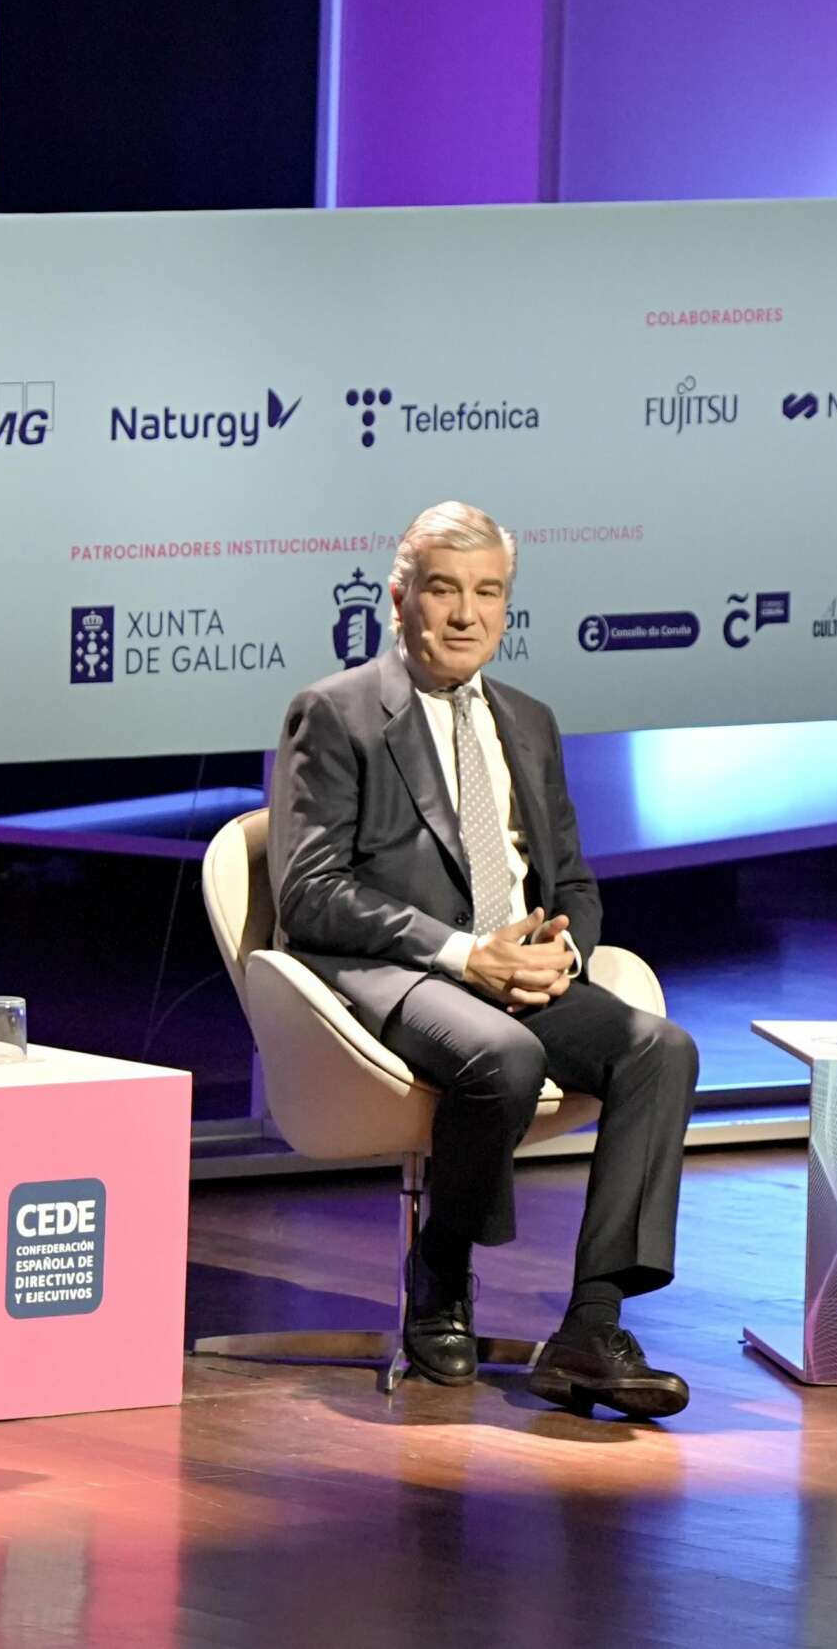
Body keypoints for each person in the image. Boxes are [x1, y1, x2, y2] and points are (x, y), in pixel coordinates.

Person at [270, 502, 701, 1417]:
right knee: (502, 1055)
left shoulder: (529, 722)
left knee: (660, 1050)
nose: (466, 615)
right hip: (399, 973)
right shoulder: (337, 713)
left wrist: (559, 952)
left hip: (518, 971)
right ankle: (442, 1264)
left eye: (488, 593)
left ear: (507, 607)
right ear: (400, 599)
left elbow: (573, 878)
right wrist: (468, 955)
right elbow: (308, 894)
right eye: (444, 590)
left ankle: (590, 1324)